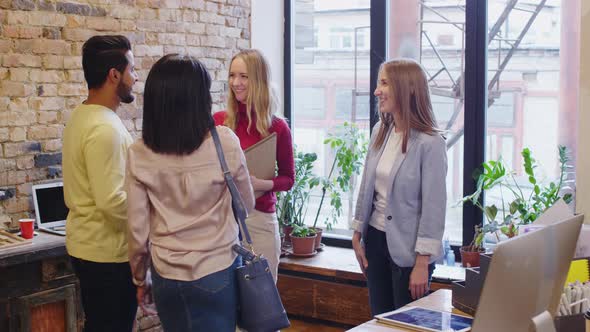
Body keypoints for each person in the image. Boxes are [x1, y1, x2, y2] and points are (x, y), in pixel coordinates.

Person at [126, 54, 255, 331]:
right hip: (218, 266)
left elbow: (137, 230)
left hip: (166, 274)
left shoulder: (139, 152)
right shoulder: (225, 142)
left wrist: (140, 278)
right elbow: (246, 205)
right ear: (200, 98)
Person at [351, 58, 447, 315]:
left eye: (384, 83)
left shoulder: (431, 143)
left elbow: (434, 207)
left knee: (406, 325)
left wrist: (422, 262)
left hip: (409, 252)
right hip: (375, 242)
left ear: (407, 88)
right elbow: (366, 186)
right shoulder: (379, 131)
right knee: (379, 322)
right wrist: (357, 232)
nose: (376, 91)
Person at [62, 35, 138, 332]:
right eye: (132, 69)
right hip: (108, 255)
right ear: (114, 75)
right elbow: (112, 201)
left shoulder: (81, 117)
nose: (135, 77)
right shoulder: (105, 128)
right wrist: (148, 228)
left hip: (87, 247)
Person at [213, 49, 294, 282]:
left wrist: (263, 184)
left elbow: (288, 178)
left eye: (244, 76)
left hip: (260, 221)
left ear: (258, 80)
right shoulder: (218, 121)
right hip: (224, 220)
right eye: (232, 75)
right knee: (228, 305)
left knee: (261, 305)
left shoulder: (277, 127)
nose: (235, 83)